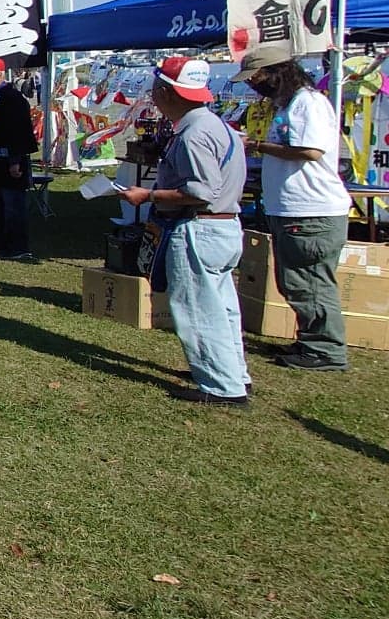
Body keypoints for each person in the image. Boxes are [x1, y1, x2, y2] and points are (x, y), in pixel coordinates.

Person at [118, 57, 250, 407]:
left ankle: (221, 385)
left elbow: (200, 191)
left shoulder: (194, 135)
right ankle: (232, 372)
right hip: (222, 226)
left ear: (166, 92)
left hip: (198, 226)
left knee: (198, 308)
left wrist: (148, 195)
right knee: (223, 307)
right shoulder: (218, 126)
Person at [242, 44, 349, 372]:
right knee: (296, 279)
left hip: (309, 209)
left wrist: (257, 145)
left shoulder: (307, 103)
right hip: (293, 208)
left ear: (277, 73)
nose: (253, 84)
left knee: (308, 281)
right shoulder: (290, 104)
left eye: (257, 77)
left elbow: (310, 150)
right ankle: (312, 339)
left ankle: (325, 349)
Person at [0, 58, 37, 260]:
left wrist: (15, 160)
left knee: (13, 205)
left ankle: (19, 247)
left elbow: (18, 131)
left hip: (10, 158)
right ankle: (1, 239)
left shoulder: (12, 97)